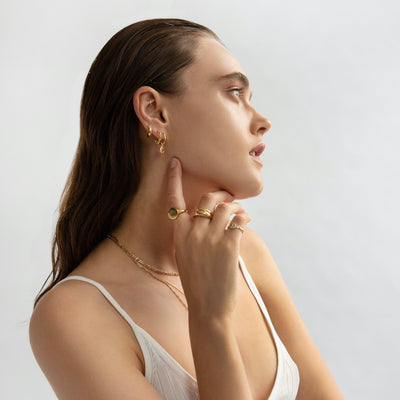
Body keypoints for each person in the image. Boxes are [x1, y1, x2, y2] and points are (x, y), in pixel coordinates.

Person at [29, 18, 344, 400]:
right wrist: (210, 321)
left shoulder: (245, 253)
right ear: (154, 111)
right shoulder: (75, 315)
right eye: (234, 92)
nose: (263, 121)